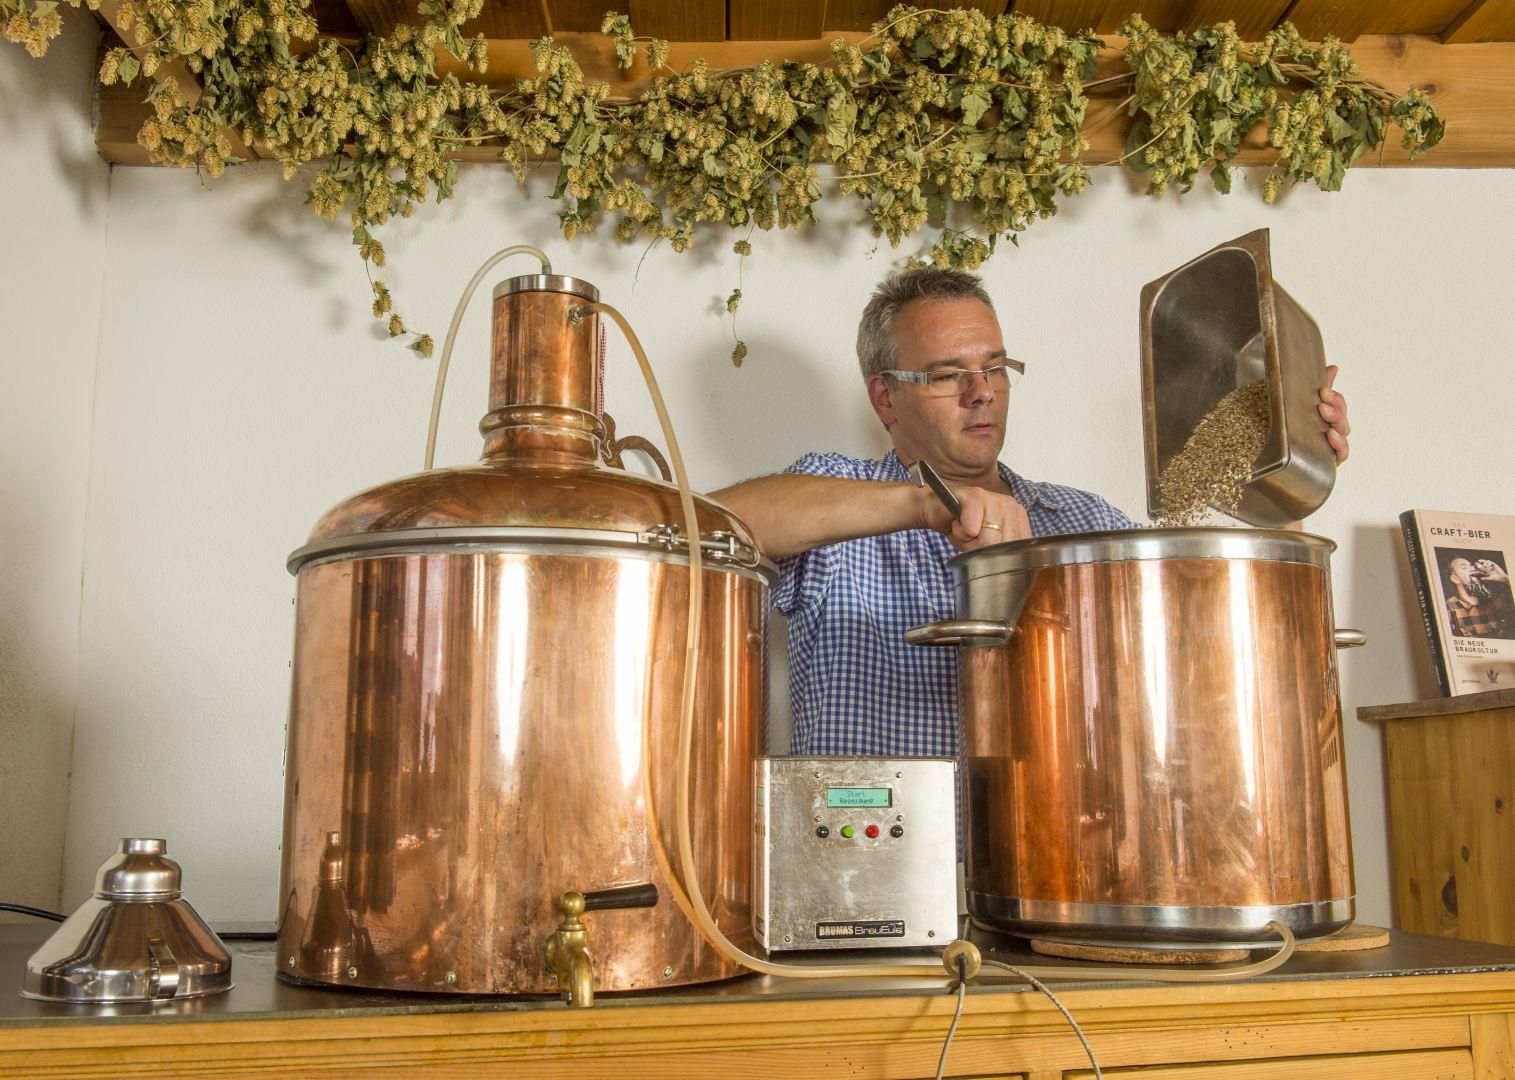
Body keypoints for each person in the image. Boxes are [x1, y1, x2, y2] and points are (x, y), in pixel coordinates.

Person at [712, 267, 1352, 759]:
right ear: (885, 397)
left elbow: (1227, 646)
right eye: (947, 374)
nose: (981, 391)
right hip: (868, 895)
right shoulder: (838, 498)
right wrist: (923, 502)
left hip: (1061, 887)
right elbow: (708, 525)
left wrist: (1290, 478)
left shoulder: (1082, 521)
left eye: (995, 367)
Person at [1445, 556, 1515, 639]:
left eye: (1471, 566)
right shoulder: (1447, 609)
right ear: (1455, 579)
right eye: (1464, 567)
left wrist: (1506, 579)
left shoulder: (1497, 601)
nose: (1472, 569)